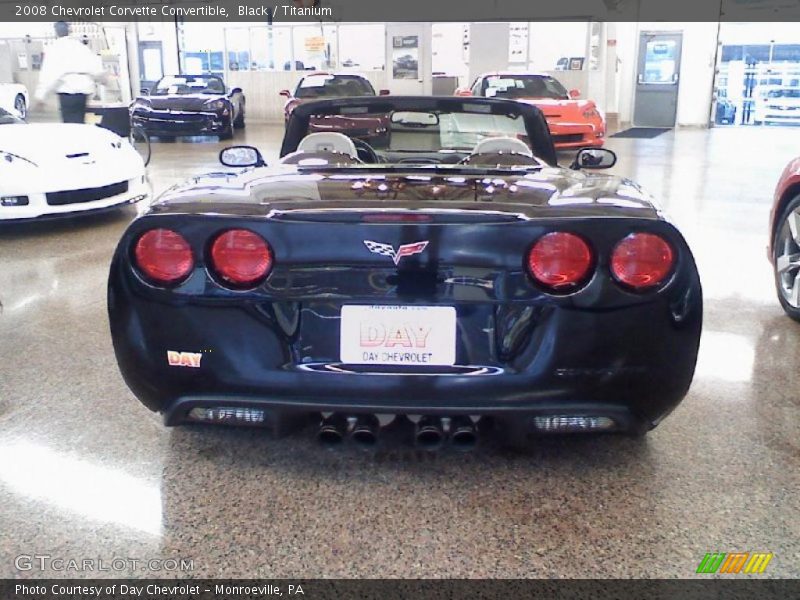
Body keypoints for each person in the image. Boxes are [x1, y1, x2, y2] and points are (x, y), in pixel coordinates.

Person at [34, 21, 106, 123]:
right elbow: (95, 67)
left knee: (71, 125)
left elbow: (48, 75)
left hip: (67, 92)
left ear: (56, 32)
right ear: (69, 30)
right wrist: (103, 79)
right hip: (83, 92)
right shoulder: (80, 46)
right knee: (80, 121)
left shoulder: (54, 49)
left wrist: (40, 96)